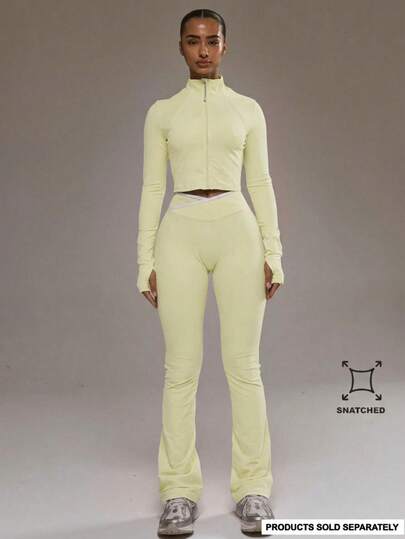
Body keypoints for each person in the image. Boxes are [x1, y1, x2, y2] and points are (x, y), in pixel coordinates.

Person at [136, 8, 285, 536]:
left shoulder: (248, 110)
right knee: (180, 369)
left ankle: (253, 490)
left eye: (212, 40)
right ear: (179, 46)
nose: (203, 50)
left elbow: (260, 182)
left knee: (244, 367)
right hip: (179, 230)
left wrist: (274, 252)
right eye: (193, 41)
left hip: (237, 230)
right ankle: (178, 491)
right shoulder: (161, 113)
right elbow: (152, 187)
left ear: (225, 46)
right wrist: (145, 261)